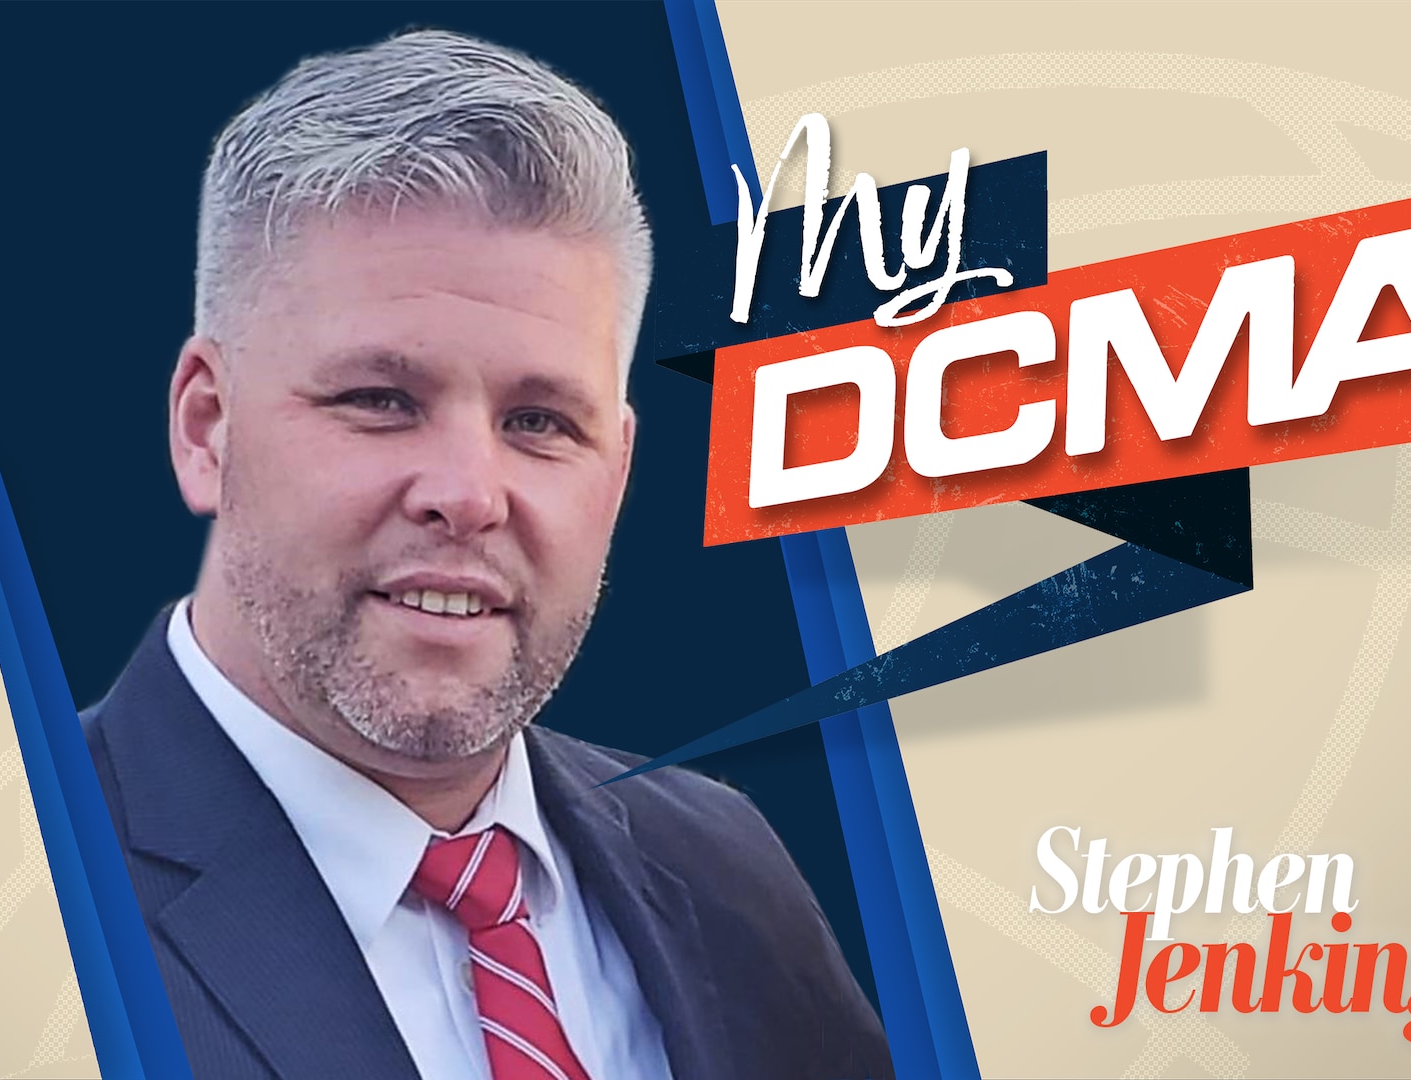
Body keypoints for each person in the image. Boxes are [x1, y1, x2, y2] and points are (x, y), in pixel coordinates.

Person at [81, 29, 893, 1080]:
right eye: (380, 400)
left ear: (619, 472)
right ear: (206, 426)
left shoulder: (731, 876)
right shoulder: (18, 893)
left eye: (543, 422)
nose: (468, 496)